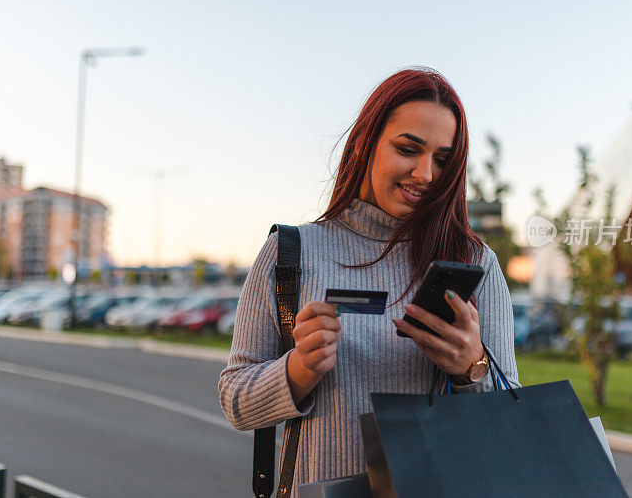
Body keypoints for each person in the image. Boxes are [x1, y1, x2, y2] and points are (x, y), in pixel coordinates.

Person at [218, 67, 519, 495]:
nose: (425, 174)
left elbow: (510, 419)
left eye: (441, 159)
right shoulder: (291, 253)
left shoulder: (473, 262)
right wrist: (299, 370)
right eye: (408, 149)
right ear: (365, 142)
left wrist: (472, 369)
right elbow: (235, 401)